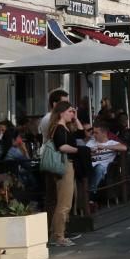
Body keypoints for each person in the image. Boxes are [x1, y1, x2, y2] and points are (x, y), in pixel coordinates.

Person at [43, 102, 82, 247]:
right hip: (64, 165)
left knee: (60, 201)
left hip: (65, 165)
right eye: (70, 111)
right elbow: (62, 147)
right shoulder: (59, 128)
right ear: (61, 113)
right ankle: (58, 236)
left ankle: (55, 233)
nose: (73, 113)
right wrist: (78, 151)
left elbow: (81, 133)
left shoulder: (64, 127)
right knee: (64, 202)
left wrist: (76, 118)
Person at [86, 121, 126, 205]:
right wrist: (90, 152)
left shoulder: (111, 143)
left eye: (96, 133)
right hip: (90, 167)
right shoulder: (90, 142)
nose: (94, 135)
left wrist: (105, 147)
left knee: (99, 168)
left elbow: (124, 148)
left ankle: (91, 195)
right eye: (93, 132)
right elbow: (84, 153)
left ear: (104, 133)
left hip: (104, 170)